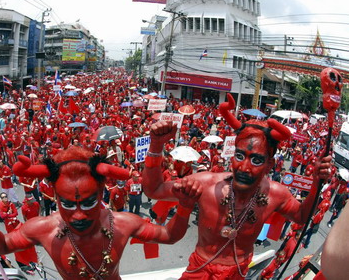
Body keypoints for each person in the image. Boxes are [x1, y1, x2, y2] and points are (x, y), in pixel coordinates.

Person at [142, 94, 332, 280]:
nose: (244, 167)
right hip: (199, 271)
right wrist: (156, 146)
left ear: (270, 165)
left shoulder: (276, 194)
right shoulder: (207, 183)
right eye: (240, 156)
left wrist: (316, 182)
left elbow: (302, 217)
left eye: (256, 160)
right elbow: (154, 190)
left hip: (238, 274)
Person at [0, 146, 197, 280]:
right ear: (56, 197)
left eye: (88, 204)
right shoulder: (44, 228)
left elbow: (169, 235)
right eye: (67, 204)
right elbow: (4, 246)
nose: (78, 215)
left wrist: (185, 206)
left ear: (101, 193)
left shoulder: (123, 223)